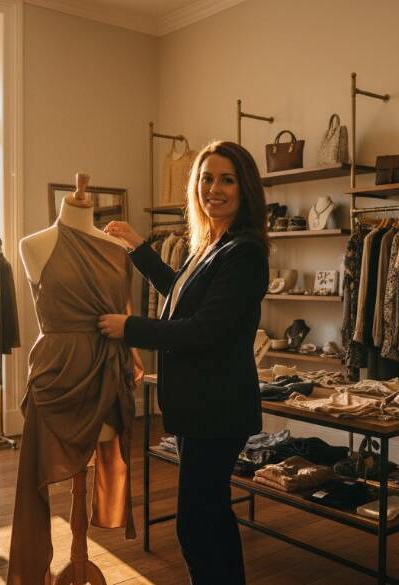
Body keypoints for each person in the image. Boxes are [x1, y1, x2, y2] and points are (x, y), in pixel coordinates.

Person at [99, 140, 269, 585]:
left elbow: (202, 330)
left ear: (244, 188)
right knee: (206, 516)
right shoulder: (212, 245)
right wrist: (140, 248)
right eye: (207, 178)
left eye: (226, 179)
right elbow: (181, 296)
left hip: (219, 409)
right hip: (202, 408)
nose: (214, 188)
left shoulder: (245, 253)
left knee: (197, 522)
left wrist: (129, 327)